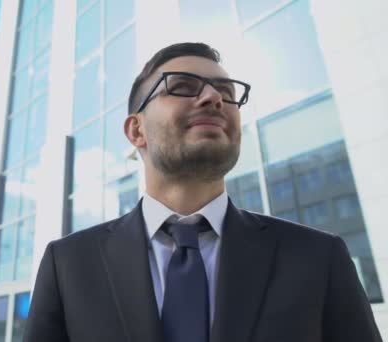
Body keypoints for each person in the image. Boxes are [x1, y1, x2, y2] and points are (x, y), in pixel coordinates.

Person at [23, 42, 382, 342]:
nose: (214, 98)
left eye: (226, 92)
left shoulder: (319, 257)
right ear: (136, 131)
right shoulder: (68, 264)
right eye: (182, 86)